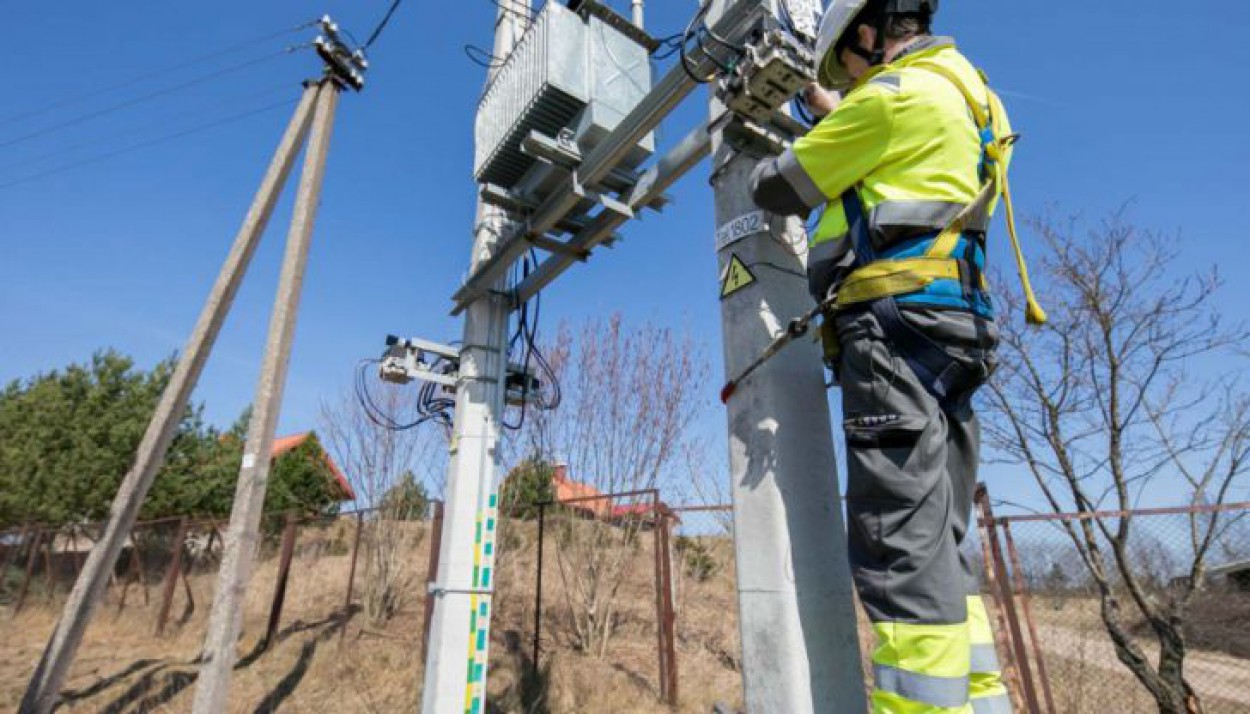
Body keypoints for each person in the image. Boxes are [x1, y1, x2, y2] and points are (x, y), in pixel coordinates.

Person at [750, 1, 1043, 712]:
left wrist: (822, 120)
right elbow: (902, 166)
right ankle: (980, 700)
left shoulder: (888, 95)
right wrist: (839, 116)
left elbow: (777, 186)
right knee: (942, 535)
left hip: (892, 325)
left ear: (867, 33)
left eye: (847, 67)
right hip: (958, 325)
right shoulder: (974, 95)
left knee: (898, 544)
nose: (848, 82)